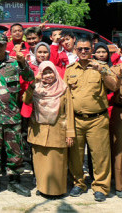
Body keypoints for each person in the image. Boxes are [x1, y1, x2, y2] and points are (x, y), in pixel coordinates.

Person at [0, 33, 34, 197]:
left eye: (0, 45)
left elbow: (30, 77)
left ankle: (14, 182)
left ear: (5, 46)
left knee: (15, 151)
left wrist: (23, 62)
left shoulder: (15, 63)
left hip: (12, 117)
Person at [65, 37, 118, 202]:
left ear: (92, 50)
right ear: (75, 50)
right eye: (80, 49)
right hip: (76, 119)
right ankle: (78, 183)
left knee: (100, 155)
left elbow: (114, 86)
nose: (83, 52)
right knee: (76, 155)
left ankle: (101, 186)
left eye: (86, 49)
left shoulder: (101, 66)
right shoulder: (70, 69)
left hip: (97, 119)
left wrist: (101, 71)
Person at [23, 61, 75, 197]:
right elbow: (26, 100)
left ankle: (57, 191)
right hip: (38, 130)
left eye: (50, 72)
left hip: (58, 131)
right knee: (40, 162)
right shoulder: (36, 88)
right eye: (44, 73)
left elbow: (69, 112)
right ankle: (42, 187)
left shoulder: (63, 88)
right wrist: (34, 83)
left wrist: (70, 133)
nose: (48, 76)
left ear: (55, 72)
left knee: (57, 162)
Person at [109, 40, 122, 198]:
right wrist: (121, 74)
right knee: (120, 150)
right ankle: (120, 185)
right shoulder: (114, 70)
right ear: (121, 53)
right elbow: (112, 87)